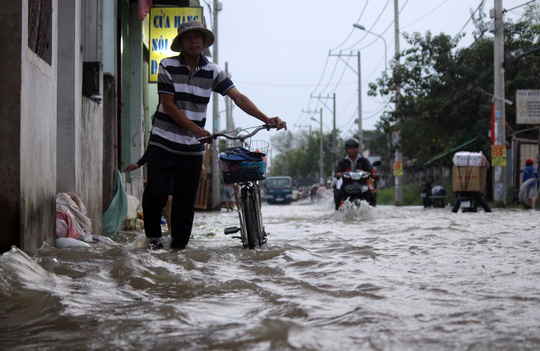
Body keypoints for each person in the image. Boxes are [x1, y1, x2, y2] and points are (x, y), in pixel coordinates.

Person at [143, 20, 287, 250]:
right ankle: (153, 240)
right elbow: (168, 105)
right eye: (189, 37)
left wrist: (266, 119)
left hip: (192, 148)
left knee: (185, 202)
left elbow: (238, 97)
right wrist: (196, 130)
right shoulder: (167, 66)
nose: (194, 41)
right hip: (163, 143)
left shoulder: (213, 71)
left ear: (203, 42)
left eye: (198, 36)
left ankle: (178, 252)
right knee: (156, 194)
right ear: (181, 43)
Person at [334, 138, 379, 210]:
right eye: (350, 148)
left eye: (354, 148)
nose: (352, 150)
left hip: (362, 185)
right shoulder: (343, 161)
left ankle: (372, 213)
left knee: (372, 197)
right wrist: (338, 174)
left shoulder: (363, 160)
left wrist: (374, 173)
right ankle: (337, 213)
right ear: (346, 149)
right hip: (347, 185)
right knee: (338, 196)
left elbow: (370, 168)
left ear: (357, 148)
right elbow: (337, 171)